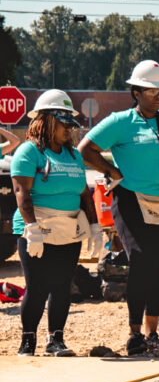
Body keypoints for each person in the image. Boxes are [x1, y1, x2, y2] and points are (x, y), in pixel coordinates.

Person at [78, 60, 159, 355]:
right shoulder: (120, 122)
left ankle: (153, 333)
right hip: (131, 201)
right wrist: (114, 173)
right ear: (136, 91)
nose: (158, 95)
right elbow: (86, 149)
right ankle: (135, 333)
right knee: (140, 259)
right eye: (151, 90)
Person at [14, 90, 102, 356]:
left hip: (68, 230)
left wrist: (96, 227)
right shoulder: (29, 152)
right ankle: (28, 340)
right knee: (38, 287)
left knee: (63, 285)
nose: (70, 129)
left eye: (71, 124)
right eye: (65, 123)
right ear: (47, 121)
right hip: (37, 229)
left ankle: (56, 340)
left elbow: (85, 194)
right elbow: (22, 194)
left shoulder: (73, 155)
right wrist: (32, 229)